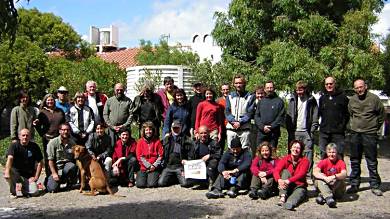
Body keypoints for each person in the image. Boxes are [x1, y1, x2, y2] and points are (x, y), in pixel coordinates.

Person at [347, 79, 385, 196]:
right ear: (354, 89)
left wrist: (374, 127)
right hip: (355, 134)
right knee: (354, 160)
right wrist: (352, 127)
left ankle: (375, 185)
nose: (359, 89)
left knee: (372, 161)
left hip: (370, 133)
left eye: (361, 87)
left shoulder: (374, 99)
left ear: (365, 86)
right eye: (357, 88)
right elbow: (350, 114)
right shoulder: (352, 100)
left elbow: (381, 115)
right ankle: (354, 184)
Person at [286, 80, 318, 175]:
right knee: (293, 153)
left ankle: (308, 174)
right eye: (297, 90)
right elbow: (288, 114)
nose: (299, 92)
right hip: (294, 131)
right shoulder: (292, 99)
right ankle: (292, 172)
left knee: (308, 153)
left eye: (301, 90)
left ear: (305, 89)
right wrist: (289, 128)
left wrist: (313, 128)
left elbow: (315, 115)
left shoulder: (311, 100)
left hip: (307, 131)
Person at [4, 129, 43, 197]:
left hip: (28, 175)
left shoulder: (34, 146)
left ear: (30, 137)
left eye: (27, 135)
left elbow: (40, 162)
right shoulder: (14, 145)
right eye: (23, 135)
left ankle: (24, 189)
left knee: (35, 192)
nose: (25, 137)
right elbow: (10, 158)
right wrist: (7, 172)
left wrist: (36, 177)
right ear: (19, 137)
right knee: (10, 171)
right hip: (15, 173)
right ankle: (13, 192)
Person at [35, 93, 66, 178]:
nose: (50, 102)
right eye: (48, 100)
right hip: (48, 139)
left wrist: (64, 135)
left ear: (54, 101)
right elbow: (37, 125)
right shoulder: (42, 112)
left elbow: (64, 123)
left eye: (52, 100)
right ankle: (50, 178)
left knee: (60, 157)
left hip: (59, 138)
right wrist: (43, 135)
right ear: (45, 101)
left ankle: (62, 177)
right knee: (49, 158)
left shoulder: (60, 111)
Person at [318, 76, 349, 159]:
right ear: (325, 86)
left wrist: (342, 126)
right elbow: (320, 113)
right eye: (327, 84)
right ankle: (324, 172)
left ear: (334, 84)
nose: (329, 85)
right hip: (324, 132)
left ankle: (339, 172)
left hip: (338, 133)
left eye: (331, 84)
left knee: (338, 155)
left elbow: (347, 114)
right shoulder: (322, 98)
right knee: (323, 155)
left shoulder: (343, 98)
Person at [273, 140, 309, 210]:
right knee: (285, 172)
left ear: (301, 150)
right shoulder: (285, 159)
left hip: (299, 186)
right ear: (290, 148)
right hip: (286, 186)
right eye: (294, 147)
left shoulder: (305, 161)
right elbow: (276, 170)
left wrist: (289, 180)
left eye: (298, 148)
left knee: (299, 193)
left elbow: (302, 173)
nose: (295, 149)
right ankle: (282, 197)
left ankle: (290, 203)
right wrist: (279, 180)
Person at [158, 120, 193, 187]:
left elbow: (191, 154)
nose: (176, 129)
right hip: (168, 166)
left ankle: (176, 177)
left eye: (177, 128)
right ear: (171, 129)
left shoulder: (186, 140)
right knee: (161, 183)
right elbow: (160, 154)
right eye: (174, 128)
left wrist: (187, 164)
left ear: (181, 128)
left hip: (180, 167)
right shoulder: (166, 139)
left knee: (185, 184)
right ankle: (174, 177)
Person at [225, 74, 255, 149]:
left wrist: (240, 122)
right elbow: (227, 111)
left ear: (244, 83)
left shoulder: (250, 96)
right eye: (236, 83)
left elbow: (250, 112)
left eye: (240, 83)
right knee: (231, 151)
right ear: (234, 84)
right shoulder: (229, 96)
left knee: (245, 151)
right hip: (231, 129)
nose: (238, 85)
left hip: (244, 129)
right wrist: (233, 122)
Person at [313, 143, 347, 208]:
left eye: (333, 152)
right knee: (318, 179)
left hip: (337, 190)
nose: (331, 154)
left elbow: (344, 174)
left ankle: (323, 196)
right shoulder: (323, 161)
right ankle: (328, 198)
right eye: (329, 152)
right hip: (325, 184)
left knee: (340, 179)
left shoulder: (340, 162)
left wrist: (334, 177)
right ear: (326, 153)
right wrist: (325, 178)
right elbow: (315, 172)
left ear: (337, 152)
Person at [46, 123, 77, 193]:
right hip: (56, 169)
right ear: (59, 131)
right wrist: (54, 173)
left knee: (72, 166)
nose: (65, 132)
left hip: (67, 168)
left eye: (67, 130)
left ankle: (70, 182)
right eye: (63, 130)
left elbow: (76, 158)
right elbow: (50, 160)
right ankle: (50, 181)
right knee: (52, 189)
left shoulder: (72, 143)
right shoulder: (52, 143)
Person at [255, 80, 285, 149]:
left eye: (271, 88)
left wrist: (271, 127)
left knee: (272, 155)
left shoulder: (279, 101)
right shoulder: (261, 101)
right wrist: (262, 127)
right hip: (261, 133)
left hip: (273, 134)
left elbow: (280, 117)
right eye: (267, 88)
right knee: (260, 155)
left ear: (274, 88)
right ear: (265, 89)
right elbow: (256, 116)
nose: (269, 89)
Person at [135, 121, 164, 188]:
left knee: (152, 184)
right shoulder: (140, 142)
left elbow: (160, 155)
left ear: (153, 130)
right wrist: (148, 166)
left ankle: (155, 175)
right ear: (143, 131)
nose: (148, 132)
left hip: (154, 167)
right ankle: (140, 176)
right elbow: (139, 156)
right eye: (146, 130)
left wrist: (154, 166)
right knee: (140, 185)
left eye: (150, 130)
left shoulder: (157, 141)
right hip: (143, 167)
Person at [250, 85, 265, 154]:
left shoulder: (267, 102)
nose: (260, 95)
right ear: (255, 94)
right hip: (253, 128)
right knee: (253, 148)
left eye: (261, 93)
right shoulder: (252, 102)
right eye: (258, 93)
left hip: (263, 129)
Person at [216, 83, 229, 150]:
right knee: (220, 145)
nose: (225, 91)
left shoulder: (232, 99)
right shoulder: (218, 101)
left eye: (227, 89)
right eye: (223, 90)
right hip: (221, 126)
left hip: (230, 126)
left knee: (230, 145)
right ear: (221, 91)